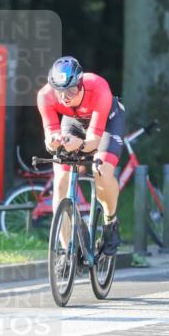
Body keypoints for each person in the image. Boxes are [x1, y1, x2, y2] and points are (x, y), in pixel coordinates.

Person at [37, 56, 124, 257]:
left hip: (108, 121)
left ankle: (111, 222)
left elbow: (93, 141)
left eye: (71, 90)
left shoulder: (99, 88)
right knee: (60, 180)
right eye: (60, 91)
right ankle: (68, 251)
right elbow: (49, 134)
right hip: (73, 123)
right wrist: (53, 141)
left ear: (81, 84)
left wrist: (81, 145)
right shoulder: (45, 96)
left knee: (101, 170)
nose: (65, 97)